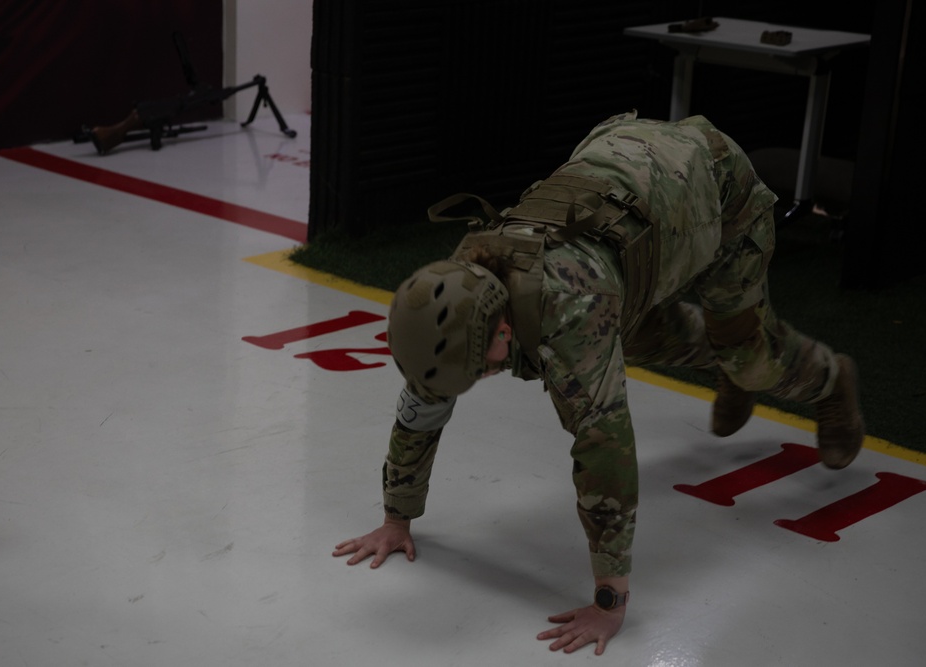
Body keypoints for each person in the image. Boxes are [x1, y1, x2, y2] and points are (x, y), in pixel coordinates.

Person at [332, 110, 864, 656]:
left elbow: (604, 451)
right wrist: (396, 517)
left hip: (716, 190)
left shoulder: (572, 309)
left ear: (506, 328)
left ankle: (828, 380)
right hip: (629, 195)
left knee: (750, 356)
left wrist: (610, 602)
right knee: (631, 339)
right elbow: (425, 400)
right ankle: (726, 360)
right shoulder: (457, 294)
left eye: (480, 367)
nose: (477, 379)